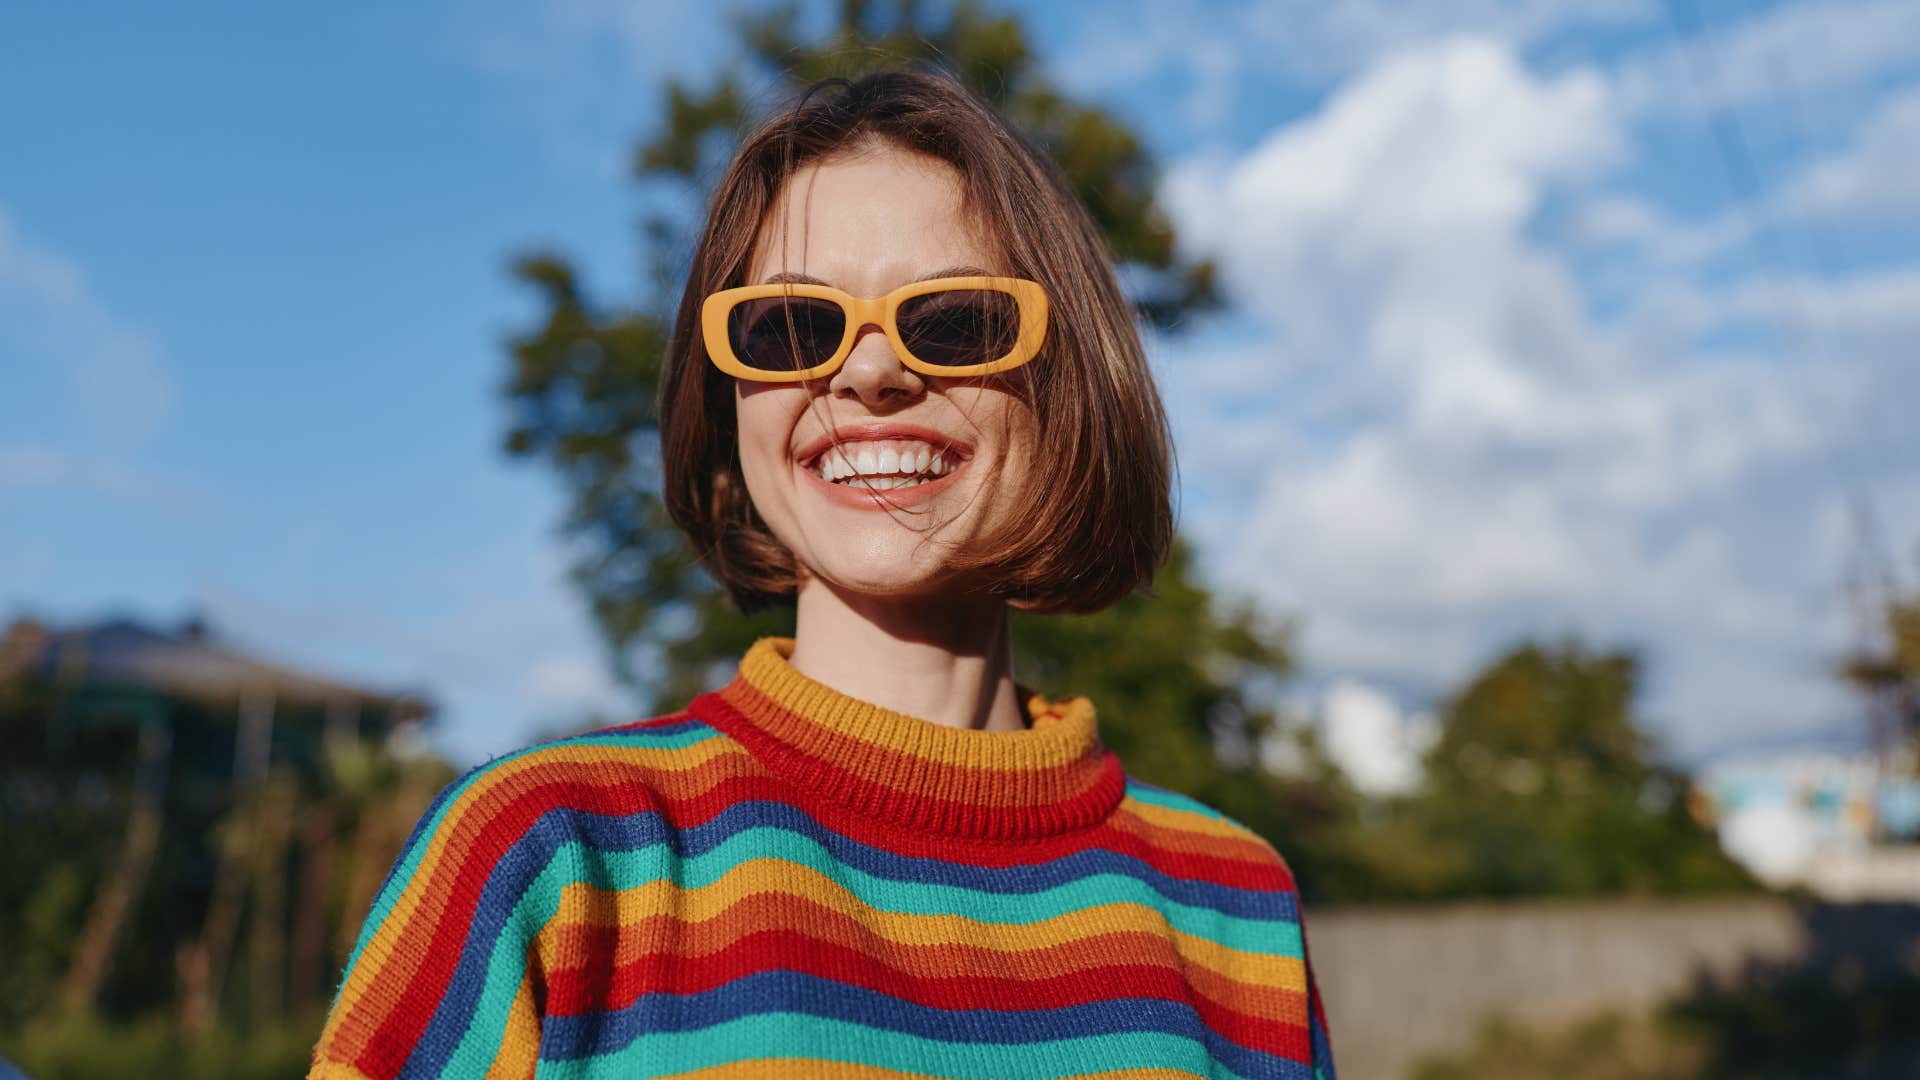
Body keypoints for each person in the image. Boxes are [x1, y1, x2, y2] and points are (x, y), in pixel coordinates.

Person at [310, 69, 1336, 1080]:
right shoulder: (552, 859)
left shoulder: (1232, 903)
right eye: (791, 328)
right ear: (730, 402)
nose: (871, 372)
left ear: (1068, 381)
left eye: (955, 319)